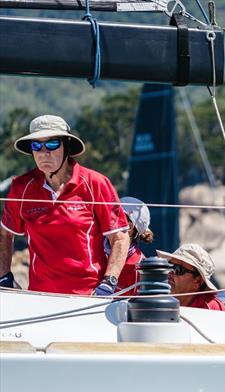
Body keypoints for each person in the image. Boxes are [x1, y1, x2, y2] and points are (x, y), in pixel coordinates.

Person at [0, 114, 130, 295]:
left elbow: (120, 238)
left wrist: (109, 282)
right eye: (36, 145)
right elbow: (4, 234)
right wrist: (4, 276)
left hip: (88, 297)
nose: (44, 152)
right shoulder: (21, 187)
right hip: (39, 297)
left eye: (52, 144)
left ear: (66, 146)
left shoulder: (96, 183)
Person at [156, 243, 225, 311]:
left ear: (197, 281)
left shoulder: (213, 309)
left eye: (178, 269)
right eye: (169, 266)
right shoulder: (156, 300)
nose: (170, 273)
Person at [113, 196, 154, 295]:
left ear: (129, 227)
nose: (106, 220)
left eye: (114, 216)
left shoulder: (140, 269)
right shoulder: (96, 249)